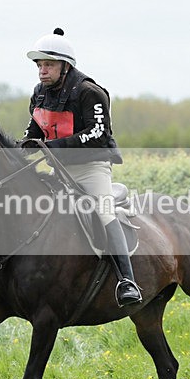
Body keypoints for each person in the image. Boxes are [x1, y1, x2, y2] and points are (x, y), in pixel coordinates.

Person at [20, 28, 142, 307]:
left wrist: (53, 148)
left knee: (103, 210)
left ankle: (127, 281)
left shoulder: (89, 92)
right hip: (59, 170)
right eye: (39, 65)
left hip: (91, 168)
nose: (42, 71)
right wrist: (20, 147)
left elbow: (96, 134)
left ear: (65, 66)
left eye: (48, 64)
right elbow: (35, 130)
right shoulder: (39, 93)